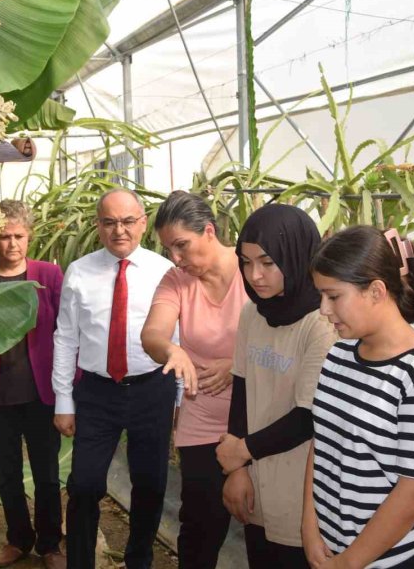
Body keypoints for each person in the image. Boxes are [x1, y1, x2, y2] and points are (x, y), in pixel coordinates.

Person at [303, 225, 414, 569]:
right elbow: (322, 444)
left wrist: (348, 563)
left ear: (376, 291)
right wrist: (311, 527)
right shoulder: (340, 355)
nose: (323, 310)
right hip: (338, 547)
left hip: (401, 556)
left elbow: (413, 492)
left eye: (333, 296)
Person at [52, 188, 177, 569]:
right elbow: (66, 337)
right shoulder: (79, 272)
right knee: (85, 485)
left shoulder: (165, 272)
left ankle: (139, 560)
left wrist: (180, 401)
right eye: (109, 222)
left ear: (143, 224)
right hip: (96, 392)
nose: (118, 230)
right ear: (98, 226)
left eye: (127, 221)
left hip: (152, 390)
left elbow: (179, 339)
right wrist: (63, 401)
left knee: (151, 484)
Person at [213, 204, 336, 568]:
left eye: (268, 263)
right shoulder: (254, 313)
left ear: (297, 255)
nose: (255, 275)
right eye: (246, 262)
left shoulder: (323, 322)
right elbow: (242, 387)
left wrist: (243, 451)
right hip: (255, 479)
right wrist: (237, 469)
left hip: (304, 487)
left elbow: (308, 416)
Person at [140, 190, 247, 568]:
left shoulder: (254, 269)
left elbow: (284, 336)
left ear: (209, 231)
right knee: (200, 524)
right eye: (170, 249)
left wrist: (238, 364)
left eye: (182, 246)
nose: (176, 258)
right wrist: (173, 351)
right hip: (201, 419)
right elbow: (152, 334)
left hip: (257, 419)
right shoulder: (176, 280)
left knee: (266, 527)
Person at [0, 200, 66, 569]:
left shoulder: (49, 275)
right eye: (4, 237)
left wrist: (69, 390)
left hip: (41, 393)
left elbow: (66, 334)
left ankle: (51, 543)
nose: (12, 244)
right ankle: (19, 538)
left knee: (48, 474)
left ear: (30, 235)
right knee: (7, 476)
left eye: (19, 235)